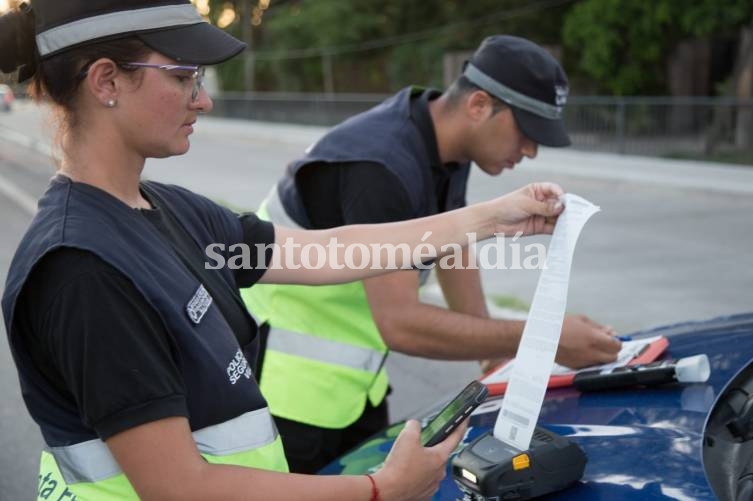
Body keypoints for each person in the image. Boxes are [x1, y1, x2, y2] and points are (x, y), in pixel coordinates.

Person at [0, 2, 570, 500]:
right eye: (183, 77)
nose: (203, 101)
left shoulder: (170, 209)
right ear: (106, 82)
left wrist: (497, 216)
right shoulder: (82, 268)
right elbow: (180, 487)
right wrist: (380, 489)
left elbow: (331, 252)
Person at [241, 34, 623, 473]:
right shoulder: (380, 166)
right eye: (527, 130)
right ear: (479, 106)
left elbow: (452, 251)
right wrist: (541, 335)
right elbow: (401, 324)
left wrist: (495, 361)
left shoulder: (443, 146)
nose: (532, 150)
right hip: (287, 396)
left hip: (353, 389)